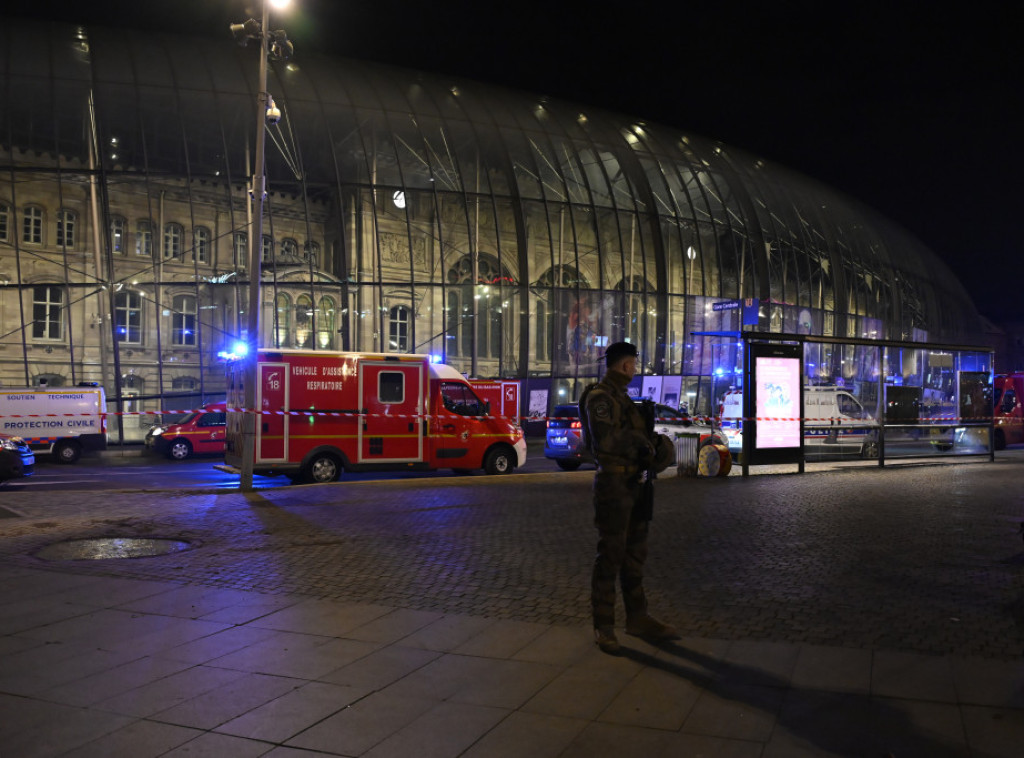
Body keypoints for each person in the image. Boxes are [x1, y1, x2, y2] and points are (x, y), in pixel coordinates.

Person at [580, 341, 678, 654]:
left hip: (635, 483)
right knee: (611, 554)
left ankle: (638, 617)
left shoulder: (625, 400)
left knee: (635, 554)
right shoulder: (599, 398)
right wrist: (642, 441)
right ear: (625, 366)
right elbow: (607, 438)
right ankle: (604, 626)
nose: (634, 370)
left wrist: (658, 448)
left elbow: (641, 441)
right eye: (633, 365)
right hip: (613, 486)